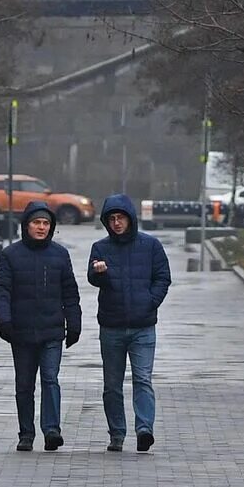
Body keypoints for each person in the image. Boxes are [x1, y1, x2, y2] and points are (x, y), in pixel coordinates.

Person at [0, 201, 81, 452]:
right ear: (26, 225)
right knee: (24, 384)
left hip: (52, 329)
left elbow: (70, 292)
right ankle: (26, 433)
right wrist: (4, 320)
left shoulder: (60, 254)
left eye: (46, 223)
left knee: (50, 379)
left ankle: (52, 430)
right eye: (36, 223)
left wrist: (74, 323)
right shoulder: (11, 255)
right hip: (21, 331)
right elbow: (2, 291)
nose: (41, 227)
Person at [87, 193, 171, 452]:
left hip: (143, 326)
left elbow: (163, 278)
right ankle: (117, 433)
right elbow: (92, 278)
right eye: (111, 219)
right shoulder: (100, 248)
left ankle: (144, 429)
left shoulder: (151, 246)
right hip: (111, 326)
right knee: (112, 385)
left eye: (120, 217)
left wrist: (149, 301)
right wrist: (99, 273)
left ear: (130, 219)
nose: (116, 223)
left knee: (142, 379)